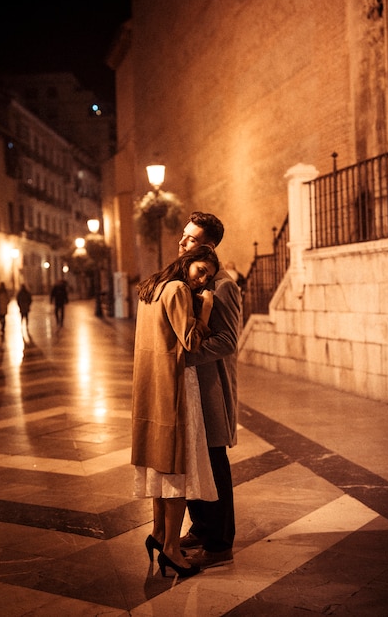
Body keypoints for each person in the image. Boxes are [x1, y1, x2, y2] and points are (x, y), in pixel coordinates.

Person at [131, 245, 220, 578]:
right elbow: (191, 340)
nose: (202, 281)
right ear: (187, 263)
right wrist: (207, 308)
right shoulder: (180, 289)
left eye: (208, 278)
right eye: (200, 271)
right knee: (178, 467)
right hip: (176, 386)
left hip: (151, 386)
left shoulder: (152, 287)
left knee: (159, 462)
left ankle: (158, 534)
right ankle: (171, 549)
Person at [177, 211, 241, 569]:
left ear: (208, 246)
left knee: (214, 462)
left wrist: (185, 357)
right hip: (191, 388)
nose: (182, 242)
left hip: (211, 388)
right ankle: (201, 526)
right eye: (183, 235)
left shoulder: (223, 284)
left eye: (191, 238)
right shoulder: (190, 278)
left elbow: (228, 340)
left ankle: (220, 542)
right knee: (193, 460)